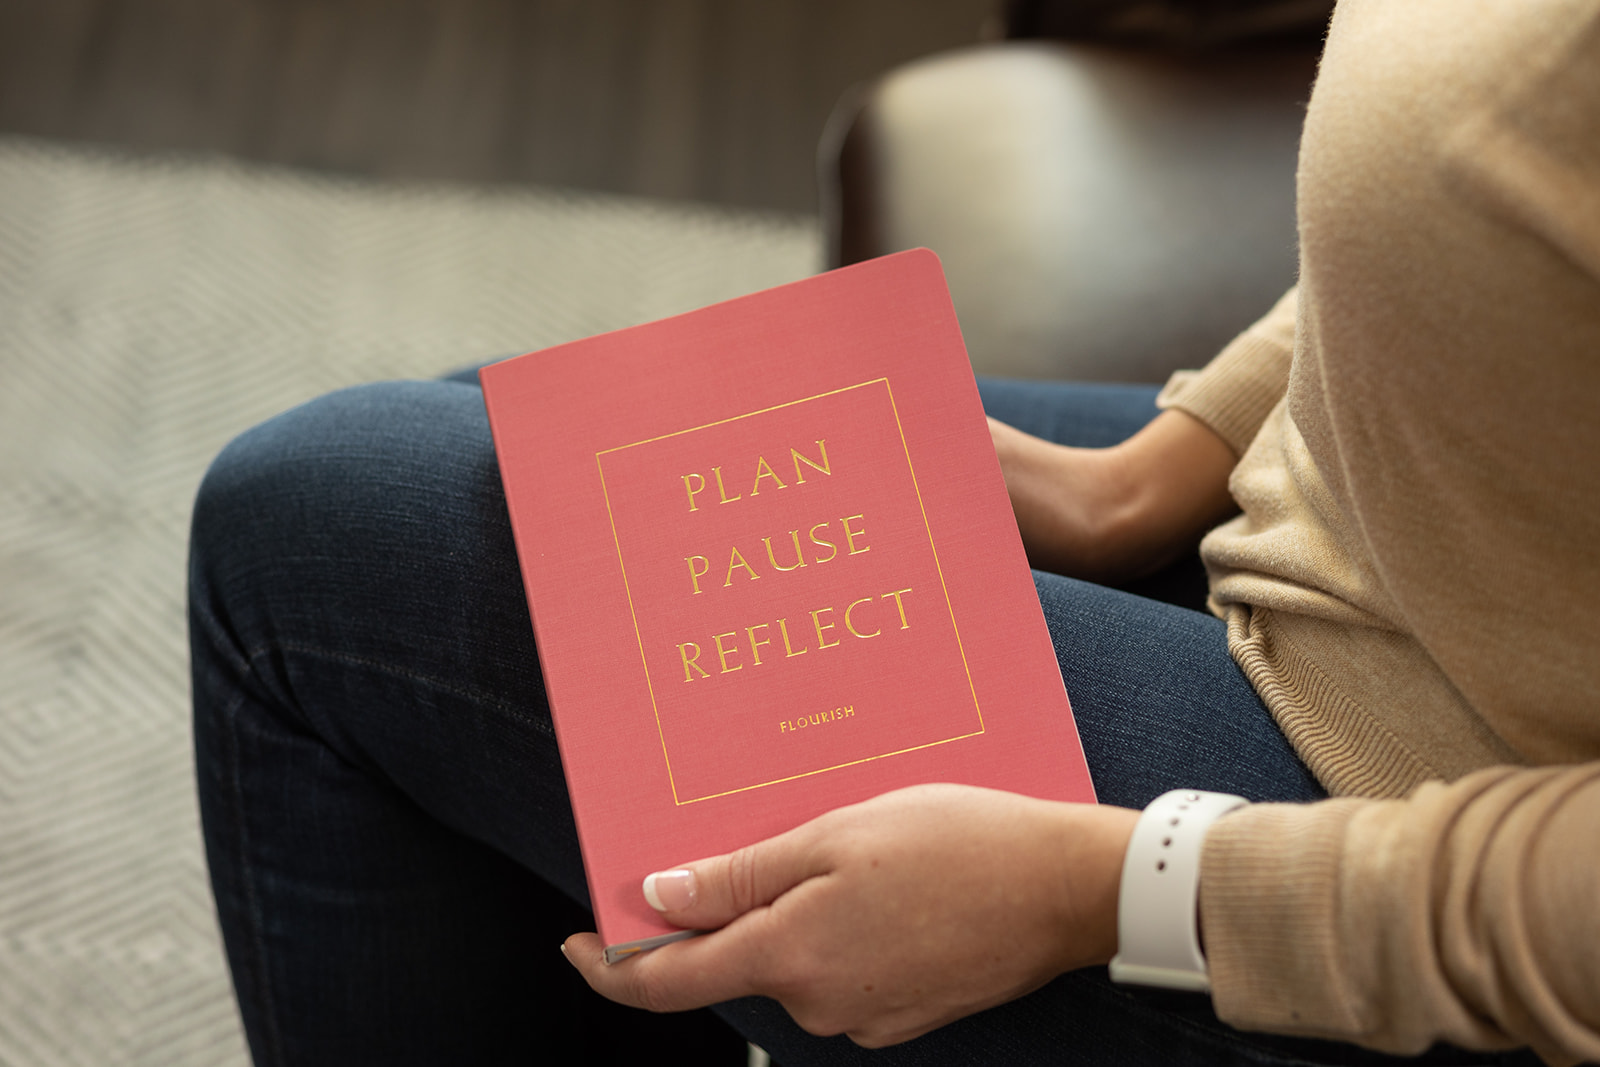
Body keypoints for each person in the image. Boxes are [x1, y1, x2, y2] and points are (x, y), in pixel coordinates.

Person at [188, 1, 1599, 1064]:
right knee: (497, 450)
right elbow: (1493, 190)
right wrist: (1163, 467)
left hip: (1427, 839)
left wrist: (1116, 890)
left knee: (302, 546)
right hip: (1378, 535)